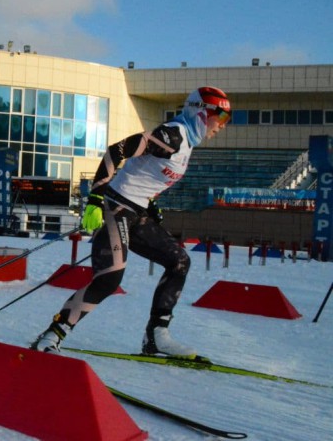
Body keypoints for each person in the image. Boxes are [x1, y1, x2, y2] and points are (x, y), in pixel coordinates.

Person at [33, 86, 231, 357]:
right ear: (199, 113)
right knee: (109, 279)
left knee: (180, 262)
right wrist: (94, 200)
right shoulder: (173, 135)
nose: (220, 127)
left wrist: (150, 203)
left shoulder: (187, 145)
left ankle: (157, 337)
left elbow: (144, 175)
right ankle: (50, 337)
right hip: (116, 206)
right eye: (217, 118)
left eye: (225, 121)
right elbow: (117, 151)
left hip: (137, 213)